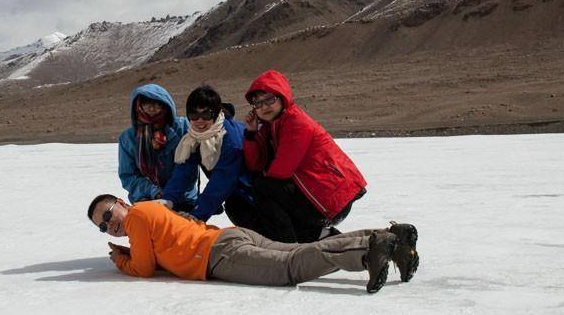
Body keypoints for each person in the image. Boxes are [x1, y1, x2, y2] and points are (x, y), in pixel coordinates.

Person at [86, 195, 419, 294]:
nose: (109, 224)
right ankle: (391, 237)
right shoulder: (149, 213)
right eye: (103, 227)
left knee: (290, 267)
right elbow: (155, 254)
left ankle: (368, 250)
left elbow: (143, 269)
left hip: (217, 254)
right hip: (226, 238)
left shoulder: (137, 217)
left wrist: (121, 261)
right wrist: (131, 251)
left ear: (120, 202)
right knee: (296, 252)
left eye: (108, 214)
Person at [242, 69, 368, 243]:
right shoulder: (270, 127)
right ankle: (327, 241)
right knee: (260, 194)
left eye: (269, 100)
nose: (264, 107)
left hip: (329, 198)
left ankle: (286, 250)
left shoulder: (296, 123)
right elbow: (255, 164)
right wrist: (250, 134)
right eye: (258, 104)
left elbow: (281, 171)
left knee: (264, 188)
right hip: (317, 196)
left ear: (282, 97)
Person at [160, 86, 258, 224]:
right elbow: (183, 171)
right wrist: (167, 200)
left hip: (258, 194)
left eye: (206, 115)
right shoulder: (193, 139)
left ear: (217, 113)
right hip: (237, 194)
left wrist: (197, 215)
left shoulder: (230, 140)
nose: (200, 120)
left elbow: (221, 183)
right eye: (194, 115)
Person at [117, 83, 197, 210]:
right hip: (147, 201)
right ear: (138, 105)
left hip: (184, 198)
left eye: (157, 104)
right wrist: (154, 191)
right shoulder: (129, 139)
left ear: (165, 105)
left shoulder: (182, 128)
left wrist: (171, 193)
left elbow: (189, 166)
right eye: (146, 103)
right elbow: (128, 176)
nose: (152, 108)